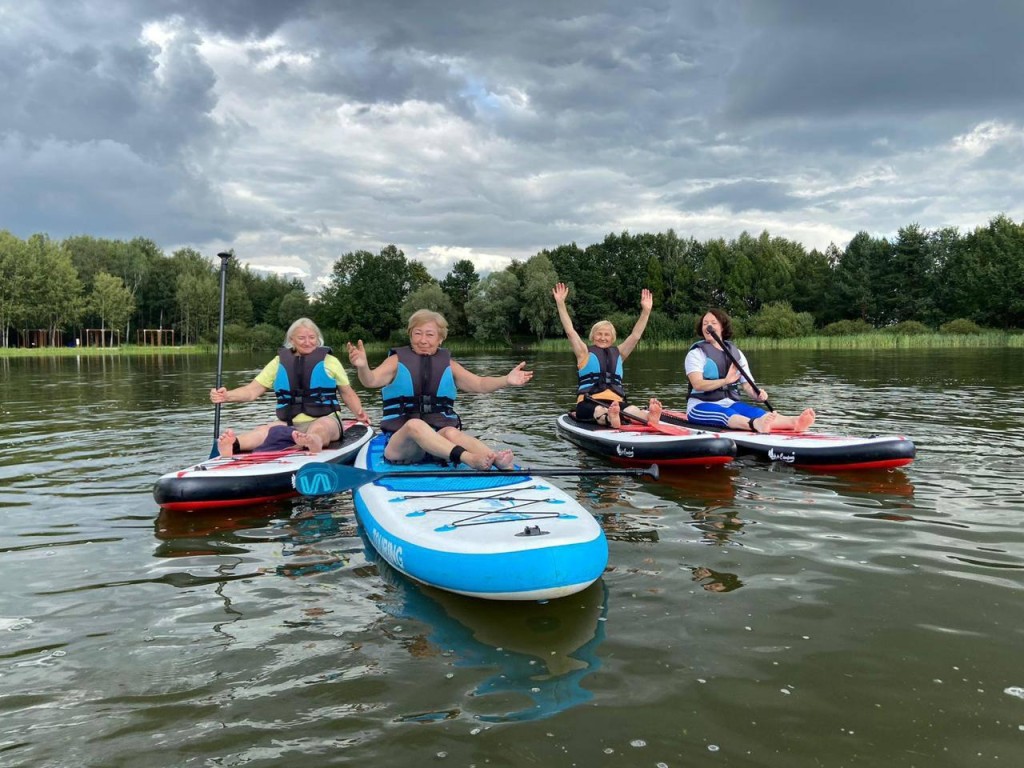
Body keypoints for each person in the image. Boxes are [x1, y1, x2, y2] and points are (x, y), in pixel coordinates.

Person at [347, 309, 532, 471]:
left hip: (438, 446)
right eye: (417, 333)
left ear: (440, 338)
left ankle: (496, 459)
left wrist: (506, 380)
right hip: (403, 447)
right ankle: (469, 458)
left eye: (429, 334)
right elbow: (370, 381)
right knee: (415, 425)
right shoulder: (396, 361)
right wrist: (362, 367)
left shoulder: (449, 365)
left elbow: (480, 384)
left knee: (451, 432)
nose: (423, 340)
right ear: (410, 335)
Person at [210, 318, 370, 456]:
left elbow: (347, 393)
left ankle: (314, 441)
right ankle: (234, 443)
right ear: (291, 340)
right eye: (301, 338)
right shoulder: (277, 362)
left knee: (320, 428)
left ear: (318, 339)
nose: (308, 342)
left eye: (312, 337)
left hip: (325, 418)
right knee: (265, 430)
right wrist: (226, 396)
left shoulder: (330, 362)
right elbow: (252, 391)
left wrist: (360, 413)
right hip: (289, 423)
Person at [684, 309, 815, 433]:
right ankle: (755, 424)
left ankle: (794, 422)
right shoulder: (696, 353)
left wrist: (756, 395)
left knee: (755, 412)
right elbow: (698, 384)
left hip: (729, 402)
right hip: (700, 406)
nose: (708, 326)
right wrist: (725, 381)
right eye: (705, 323)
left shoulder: (736, 353)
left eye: (713, 323)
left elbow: (747, 385)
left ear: (722, 327)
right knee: (727, 414)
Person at [552, 282, 662, 429]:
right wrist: (560, 303)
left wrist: (646, 311)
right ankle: (611, 418)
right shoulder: (584, 353)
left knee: (631, 410)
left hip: (616, 402)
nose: (603, 338)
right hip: (589, 402)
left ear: (612, 338)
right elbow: (570, 331)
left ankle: (649, 416)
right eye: (599, 334)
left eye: (607, 335)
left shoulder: (619, 354)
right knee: (600, 411)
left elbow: (635, 336)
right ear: (592, 336)